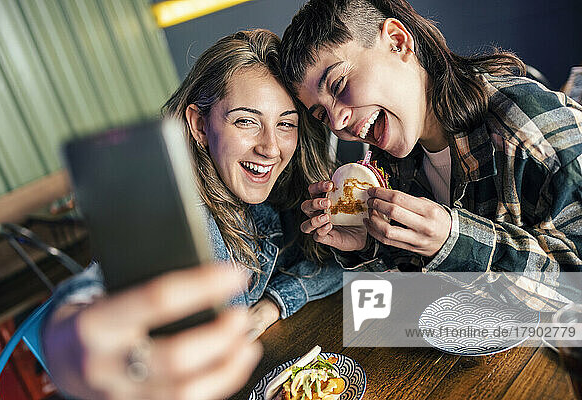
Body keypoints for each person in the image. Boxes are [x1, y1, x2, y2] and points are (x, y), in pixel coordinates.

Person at [42, 29, 343, 399]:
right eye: (246, 121)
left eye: (285, 124)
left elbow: (329, 265)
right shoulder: (184, 216)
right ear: (200, 126)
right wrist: (69, 341)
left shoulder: (263, 201)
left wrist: (271, 306)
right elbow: (95, 294)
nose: (270, 147)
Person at [279, 0, 582, 308]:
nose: (337, 123)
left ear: (398, 42)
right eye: (320, 115)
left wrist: (456, 241)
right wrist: (370, 244)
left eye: (339, 83)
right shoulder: (391, 162)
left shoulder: (526, 127)